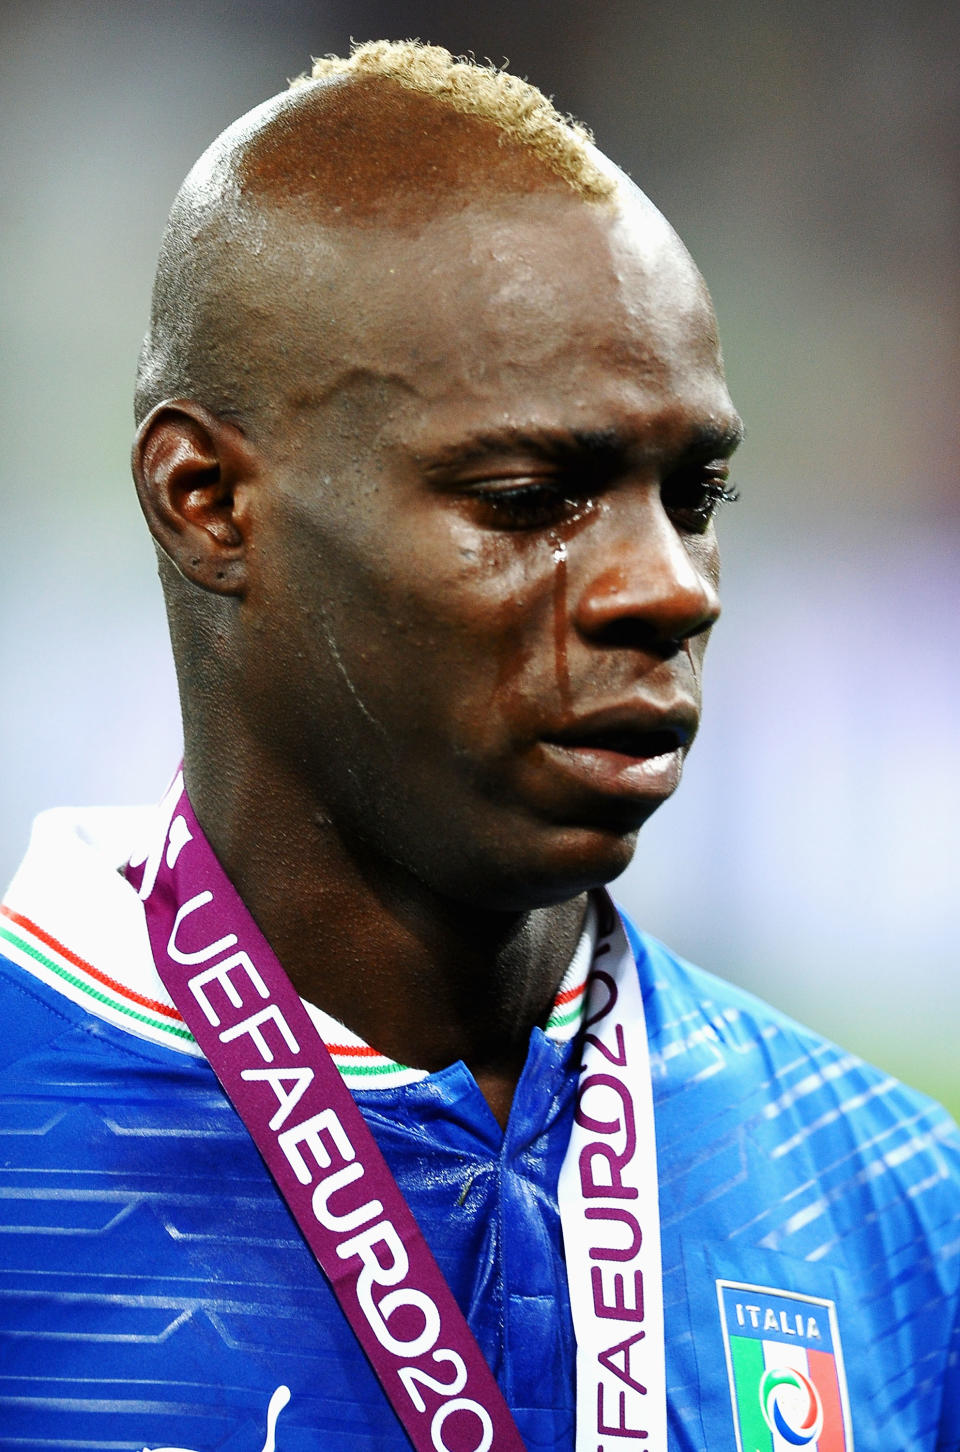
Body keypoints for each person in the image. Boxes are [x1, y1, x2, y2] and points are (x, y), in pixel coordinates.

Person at [1, 40, 956, 1452]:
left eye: (693, 493)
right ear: (206, 501)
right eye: (530, 498)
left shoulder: (897, 1211)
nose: (670, 586)